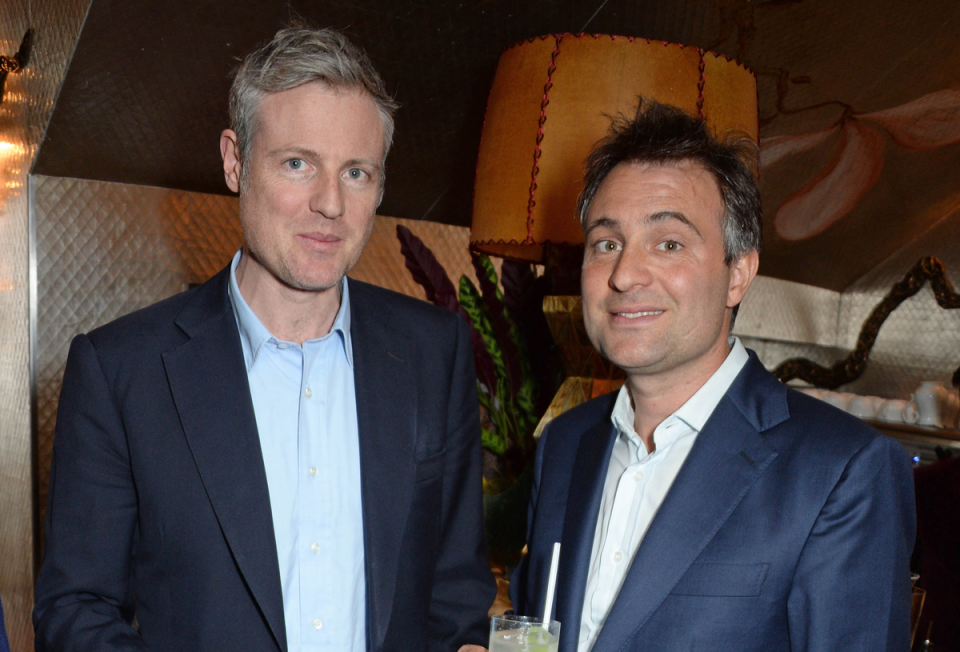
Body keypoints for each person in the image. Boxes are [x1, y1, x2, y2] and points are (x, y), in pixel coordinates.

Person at [34, 26, 495, 652]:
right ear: (235, 161)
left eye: (356, 172)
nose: (330, 203)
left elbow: (455, 596)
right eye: (298, 164)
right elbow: (77, 611)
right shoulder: (121, 371)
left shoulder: (432, 351)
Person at [462, 99, 915, 652]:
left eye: (669, 243)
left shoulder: (842, 470)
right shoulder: (565, 443)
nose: (625, 274)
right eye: (607, 244)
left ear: (738, 275)